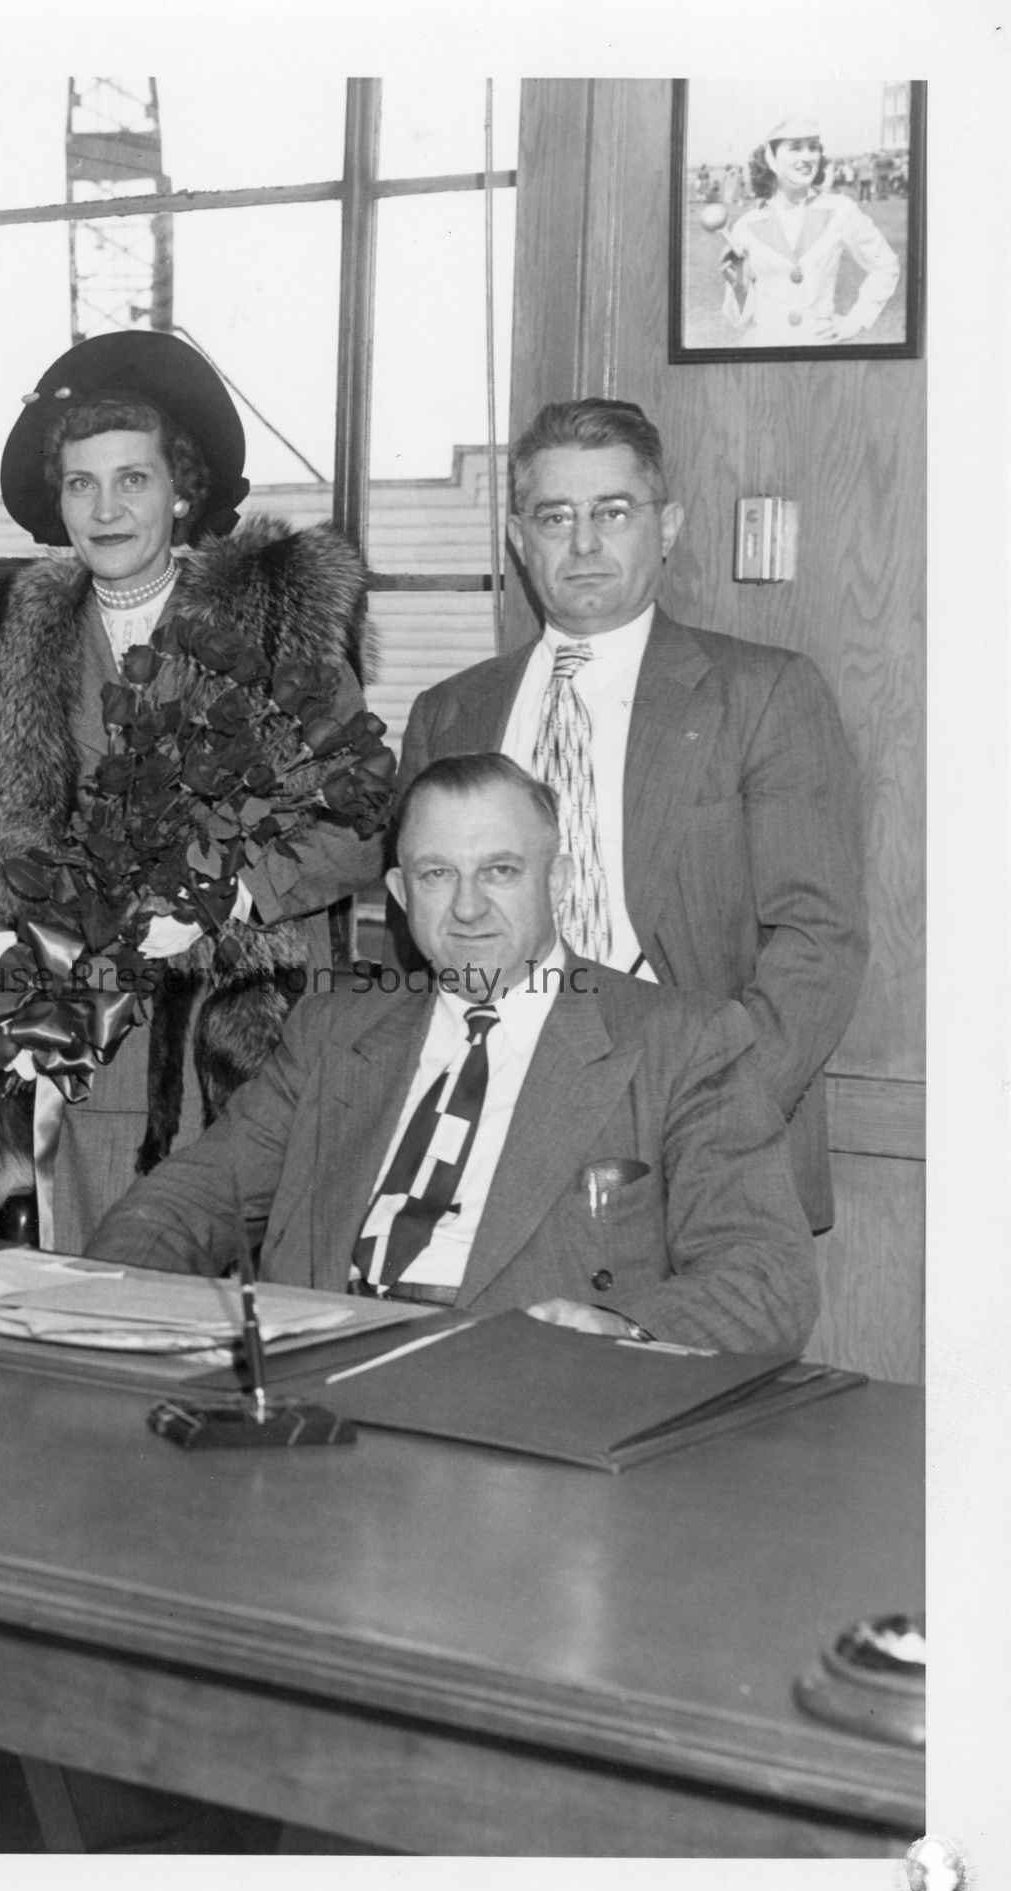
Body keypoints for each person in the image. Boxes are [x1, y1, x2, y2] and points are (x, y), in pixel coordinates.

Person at [92, 753, 818, 1354]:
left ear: (557, 882)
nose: (467, 908)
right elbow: (186, 1202)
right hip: (320, 1381)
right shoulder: (333, 1031)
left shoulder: (680, 1040)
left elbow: (766, 1277)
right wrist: (95, 1316)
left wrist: (618, 1329)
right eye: (438, 874)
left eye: (500, 871)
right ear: (401, 892)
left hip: (523, 1395)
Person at [0, 331, 377, 1248]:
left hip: (242, 1044)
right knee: (92, 1291)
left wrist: (234, 892)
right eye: (80, 483)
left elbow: (364, 820)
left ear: (180, 490)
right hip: (74, 1050)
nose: (105, 509)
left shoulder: (272, 623)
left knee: (235, 1295)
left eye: (132, 479)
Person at [396, 397, 865, 1229]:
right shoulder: (449, 713)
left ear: (667, 525)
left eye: (613, 512)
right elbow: (424, 938)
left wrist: (717, 1111)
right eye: (555, 516)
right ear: (519, 540)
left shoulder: (760, 694)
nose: (583, 544)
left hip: (696, 1129)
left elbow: (818, 940)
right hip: (489, 1133)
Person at [714, 116, 900, 345]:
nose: (808, 156)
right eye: (795, 148)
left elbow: (885, 265)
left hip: (820, 348)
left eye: (813, 148)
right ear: (771, 158)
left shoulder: (841, 210)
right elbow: (737, 320)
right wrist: (739, 288)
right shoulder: (746, 226)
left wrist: (856, 320)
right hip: (764, 348)